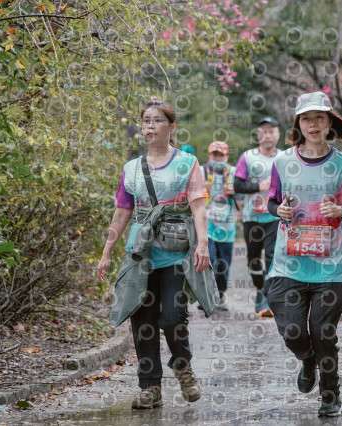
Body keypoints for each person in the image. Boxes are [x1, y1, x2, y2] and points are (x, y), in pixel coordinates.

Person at [97, 99, 217, 409]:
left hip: (175, 253)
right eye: (146, 120)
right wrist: (107, 252)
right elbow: (122, 212)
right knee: (143, 321)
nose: (150, 125)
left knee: (172, 316)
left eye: (157, 120)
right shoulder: (132, 169)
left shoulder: (187, 163)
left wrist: (202, 244)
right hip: (141, 254)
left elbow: (198, 207)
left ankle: (182, 365)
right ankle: (150, 387)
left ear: (171, 127)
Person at [265, 91, 342, 417]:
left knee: (324, 332)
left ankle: (330, 396)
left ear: (329, 123)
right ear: (298, 124)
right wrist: (279, 210)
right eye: (307, 119)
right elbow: (271, 202)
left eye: (319, 118)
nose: (313, 124)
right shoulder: (282, 162)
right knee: (293, 332)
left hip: (331, 267)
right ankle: (307, 359)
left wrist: (341, 210)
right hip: (288, 265)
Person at [233, 116, 281, 316]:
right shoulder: (248, 157)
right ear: (257, 135)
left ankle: (267, 299)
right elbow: (237, 186)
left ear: (278, 134)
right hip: (252, 217)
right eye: (263, 131)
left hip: (274, 217)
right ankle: (260, 288)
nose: (267, 135)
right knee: (253, 259)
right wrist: (258, 186)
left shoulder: (285, 158)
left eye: (271, 131)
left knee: (272, 257)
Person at [201, 141, 241, 311]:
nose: (217, 158)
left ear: (226, 156)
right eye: (214, 155)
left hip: (227, 227)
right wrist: (202, 189)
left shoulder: (234, 173)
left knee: (223, 265)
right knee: (209, 261)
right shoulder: (202, 172)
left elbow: (245, 196)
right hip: (207, 226)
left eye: (220, 155)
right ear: (209, 156)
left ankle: (220, 296)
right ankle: (207, 296)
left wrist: (235, 191)